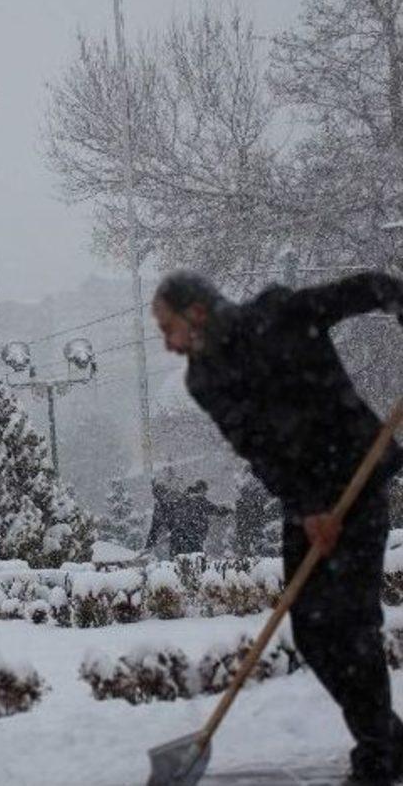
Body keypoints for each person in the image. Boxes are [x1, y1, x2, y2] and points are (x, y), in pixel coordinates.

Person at [152, 269, 403, 786]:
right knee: (312, 630)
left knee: (352, 625)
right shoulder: (205, 378)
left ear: (195, 314)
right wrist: (308, 508)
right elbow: (257, 447)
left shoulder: (281, 313)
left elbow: (366, 289)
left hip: (357, 476)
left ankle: (379, 754)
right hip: (305, 501)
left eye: (167, 327)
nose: (168, 344)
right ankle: (389, 739)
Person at [170, 479, 230, 556]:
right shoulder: (200, 500)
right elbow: (216, 510)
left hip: (182, 534)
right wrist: (227, 509)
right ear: (201, 489)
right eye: (205, 491)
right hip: (196, 533)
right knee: (196, 556)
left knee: (184, 557)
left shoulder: (184, 499)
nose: (205, 493)